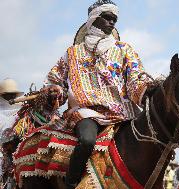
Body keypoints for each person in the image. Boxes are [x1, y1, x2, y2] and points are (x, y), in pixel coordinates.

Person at [40, 0, 153, 188]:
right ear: (94, 19)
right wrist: (56, 89)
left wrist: (147, 89)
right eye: (107, 18)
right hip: (86, 111)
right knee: (87, 140)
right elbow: (55, 79)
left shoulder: (124, 49)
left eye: (114, 19)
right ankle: (71, 182)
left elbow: (136, 79)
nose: (112, 22)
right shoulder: (73, 53)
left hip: (121, 111)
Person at [0, 78, 23, 189]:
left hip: (20, 149)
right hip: (3, 151)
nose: (10, 97)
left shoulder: (22, 110)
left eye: (12, 95)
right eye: (7, 95)